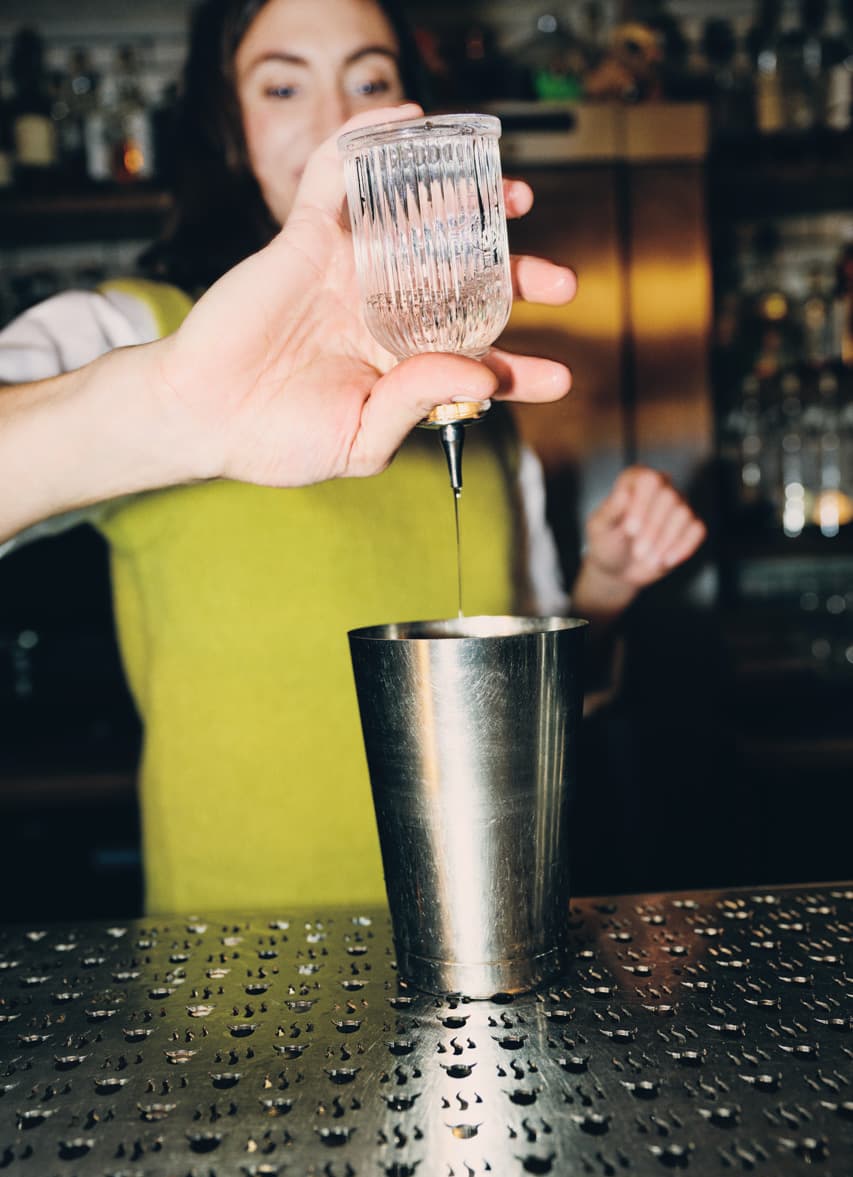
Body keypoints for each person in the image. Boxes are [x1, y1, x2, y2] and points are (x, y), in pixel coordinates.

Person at [0, 0, 705, 914]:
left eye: (370, 80)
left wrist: (605, 586)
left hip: (487, 960)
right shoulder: (129, 333)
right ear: (227, 121)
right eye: (283, 84)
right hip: (231, 1004)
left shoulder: (466, 392)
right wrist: (178, 403)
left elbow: (518, 697)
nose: (340, 123)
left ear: (413, 115)